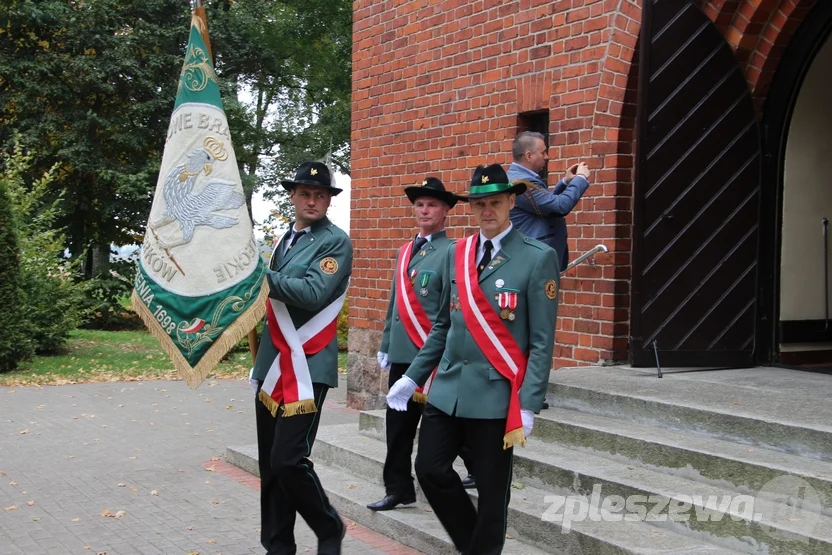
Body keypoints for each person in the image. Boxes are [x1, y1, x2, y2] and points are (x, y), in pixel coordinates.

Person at [386, 163, 559, 555]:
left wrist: (529, 402)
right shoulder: (458, 253)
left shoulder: (537, 257)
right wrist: (413, 377)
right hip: (447, 390)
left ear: (511, 202)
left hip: (496, 396)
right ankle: (473, 546)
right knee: (429, 470)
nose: (487, 211)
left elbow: (542, 340)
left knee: (493, 492)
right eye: (480, 204)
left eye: (495, 202)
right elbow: (443, 325)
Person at [251, 161, 353, 555]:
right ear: (292, 196)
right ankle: (278, 546)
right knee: (270, 465)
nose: (312, 200)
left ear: (328, 200)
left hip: (308, 365)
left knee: (289, 459)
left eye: (320, 195)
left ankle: (329, 526)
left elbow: (312, 293)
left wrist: (259, 277)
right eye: (305, 193)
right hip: (273, 364)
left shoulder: (335, 241)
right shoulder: (283, 240)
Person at [369, 177, 476, 512]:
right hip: (403, 354)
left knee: (444, 423)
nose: (425, 210)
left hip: (433, 358)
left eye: (432, 204)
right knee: (397, 426)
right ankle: (398, 488)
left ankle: (480, 468)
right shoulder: (404, 251)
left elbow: (452, 308)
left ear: (446, 211)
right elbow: (395, 303)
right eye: (420, 205)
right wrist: (387, 342)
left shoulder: (453, 251)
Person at [507, 130, 591, 268]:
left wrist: (565, 182)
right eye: (543, 152)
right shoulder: (521, 183)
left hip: (532, 257)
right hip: (533, 261)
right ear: (529, 155)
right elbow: (558, 207)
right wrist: (580, 178)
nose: (547, 157)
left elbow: (544, 205)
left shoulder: (518, 177)